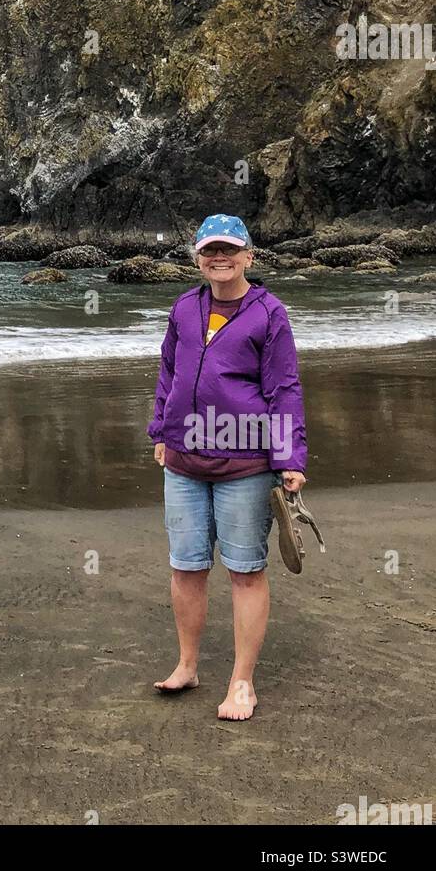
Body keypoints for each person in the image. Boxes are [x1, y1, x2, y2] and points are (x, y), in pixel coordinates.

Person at [147, 214, 308, 720]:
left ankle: (242, 683)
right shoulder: (184, 308)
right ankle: (188, 666)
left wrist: (290, 458)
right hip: (184, 459)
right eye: (210, 251)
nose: (220, 259)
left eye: (229, 251)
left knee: (244, 571)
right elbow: (168, 373)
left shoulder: (269, 313)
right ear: (198, 257)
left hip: (246, 463)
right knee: (186, 567)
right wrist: (160, 432)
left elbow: (284, 390)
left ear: (249, 257)